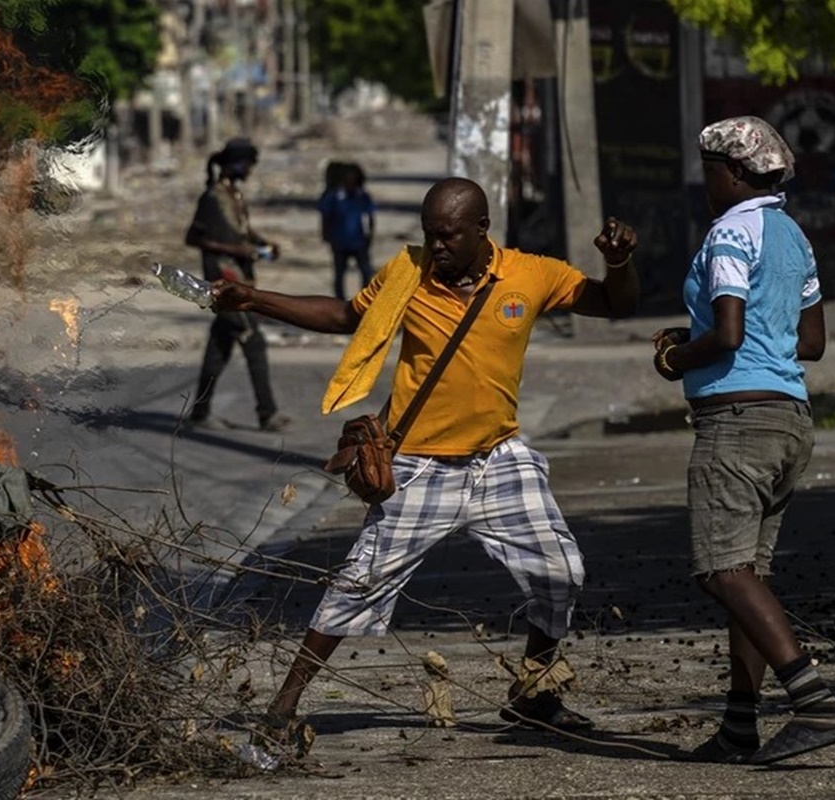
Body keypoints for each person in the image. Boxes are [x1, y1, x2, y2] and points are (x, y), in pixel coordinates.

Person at [211, 177, 640, 740]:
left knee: (561, 573)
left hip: (497, 458)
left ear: (482, 230)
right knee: (357, 583)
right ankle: (282, 709)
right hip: (417, 465)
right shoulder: (405, 273)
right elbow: (345, 315)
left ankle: (534, 692)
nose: (436, 246)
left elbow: (615, 303)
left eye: (447, 236)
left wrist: (619, 263)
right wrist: (256, 299)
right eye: (429, 234)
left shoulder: (531, 274)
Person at [651, 116, 835, 765]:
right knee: (749, 573)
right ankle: (740, 725)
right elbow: (812, 342)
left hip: (737, 421)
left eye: (710, 168)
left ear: (735, 174)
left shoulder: (729, 231)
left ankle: (814, 700)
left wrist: (675, 357)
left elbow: (728, 334)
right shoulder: (794, 236)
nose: (705, 181)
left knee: (721, 569)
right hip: (789, 420)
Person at [184, 137, 289, 432]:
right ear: (238, 164)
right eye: (249, 164)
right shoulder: (211, 197)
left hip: (240, 278)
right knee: (253, 341)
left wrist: (262, 242)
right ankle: (267, 414)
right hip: (224, 282)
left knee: (219, 348)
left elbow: (241, 230)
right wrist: (235, 251)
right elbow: (192, 237)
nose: (251, 170)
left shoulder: (234, 196)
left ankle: (200, 413)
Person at [318, 162, 376, 300]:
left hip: (358, 241)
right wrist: (326, 235)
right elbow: (326, 216)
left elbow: (370, 218)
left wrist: (369, 237)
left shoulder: (362, 196)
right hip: (339, 241)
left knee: (366, 273)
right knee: (339, 275)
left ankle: (364, 300)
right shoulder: (334, 197)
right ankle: (340, 301)